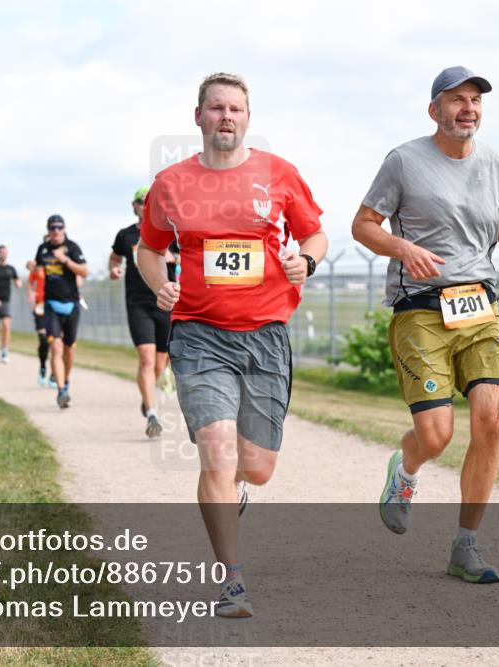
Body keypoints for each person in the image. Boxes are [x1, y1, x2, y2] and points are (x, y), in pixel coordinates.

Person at [136, 72, 327, 617]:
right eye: (216, 107)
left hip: (266, 335)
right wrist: (160, 284)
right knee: (215, 451)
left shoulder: (279, 174)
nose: (226, 116)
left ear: (248, 118)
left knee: (257, 466)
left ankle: (238, 490)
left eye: (236, 109)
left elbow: (315, 233)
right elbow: (149, 250)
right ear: (198, 116)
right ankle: (232, 580)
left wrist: (305, 259)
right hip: (199, 334)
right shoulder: (170, 183)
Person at [352, 66, 499, 584]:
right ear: (434, 109)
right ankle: (407, 469)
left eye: (475, 100)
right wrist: (403, 247)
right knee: (436, 436)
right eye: (456, 99)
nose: (468, 108)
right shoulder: (404, 161)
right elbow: (363, 225)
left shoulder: (497, 165)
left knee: (491, 419)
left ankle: (466, 545)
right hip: (420, 308)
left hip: (479, 307)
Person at [109, 186, 180, 438]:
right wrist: (114, 269)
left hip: (165, 302)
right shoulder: (126, 235)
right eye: (141, 201)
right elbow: (115, 258)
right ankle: (152, 413)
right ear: (134, 206)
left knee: (161, 363)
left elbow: (192, 256)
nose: (144, 206)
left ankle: (147, 395)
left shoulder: (169, 233)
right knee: (147, 359)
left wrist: (174, 258)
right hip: (137, 302)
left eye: (149, 202)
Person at [35, 215, 88, 408]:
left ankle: (65, 381)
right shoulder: (43, 249)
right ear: (48, 230)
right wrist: (33, 269)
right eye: (52, 228)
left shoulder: (73, 248)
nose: (56, 231)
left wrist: (65, 260)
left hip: (72, 304)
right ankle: (61, 391)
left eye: (59, 228)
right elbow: (39, 269)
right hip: (51, 305)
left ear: (64, 229)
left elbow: (84, 272)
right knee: (56, 348)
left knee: (68, 350)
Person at [26, 259, 51, 386]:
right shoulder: (39, 263)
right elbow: (30, 282)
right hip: (40, 306)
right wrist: (31, 294)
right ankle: (42, 367)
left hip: (56, 305)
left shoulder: (62, 260)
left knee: (56, 341)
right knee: (44, 340)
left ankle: (54, 375)